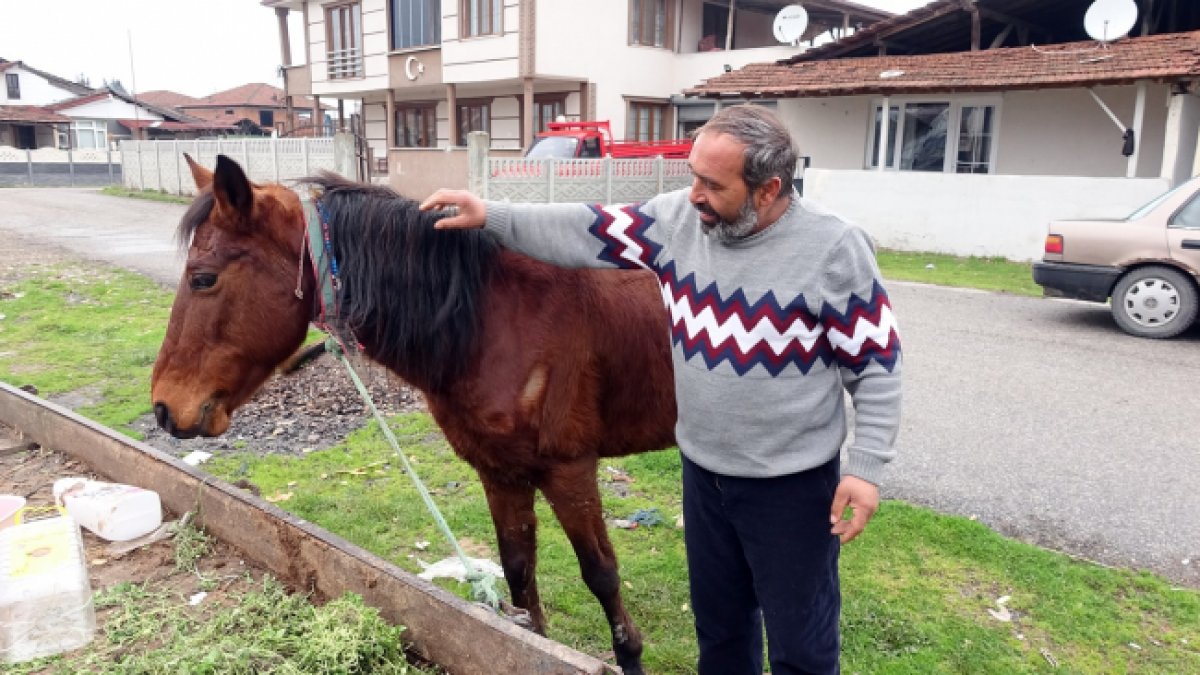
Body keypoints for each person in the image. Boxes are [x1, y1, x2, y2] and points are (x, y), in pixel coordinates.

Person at [420, 104, 901, 675]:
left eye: (712, 184)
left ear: (768, 189)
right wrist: (491, 214)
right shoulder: (675, 223)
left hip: (790, 487)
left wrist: (865, 468)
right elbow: (584, 228)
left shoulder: (832, 249)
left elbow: (876, 362)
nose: (693, 193)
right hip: (705, 477)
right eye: (692, 175)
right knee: (721, 633)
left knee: (802, 646)